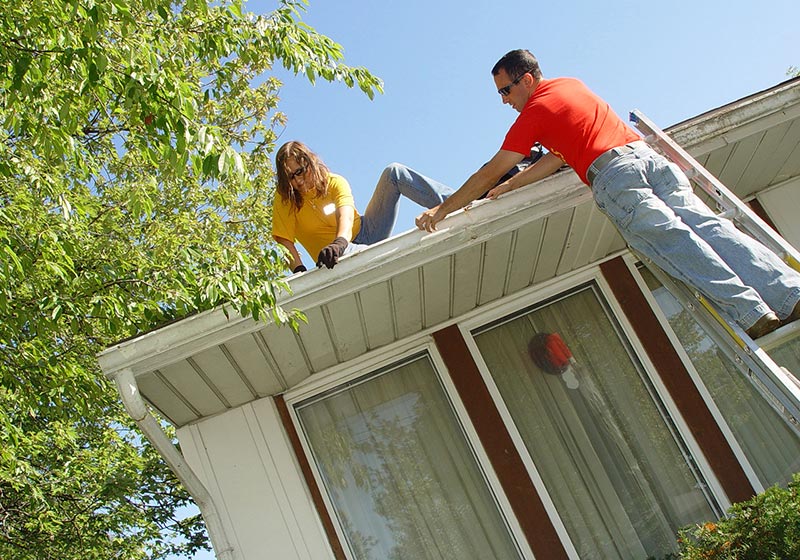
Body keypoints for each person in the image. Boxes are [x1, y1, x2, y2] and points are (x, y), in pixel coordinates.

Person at [415, 49, 800, 339]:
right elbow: (555, 158)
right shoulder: (571, 86)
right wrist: (512, 186)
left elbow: (489, 170)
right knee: (709, 226)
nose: (504, 100)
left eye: (505, 90)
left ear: (526, 79)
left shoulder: (535, 111)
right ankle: (788, 294)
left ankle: (751, 314)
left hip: (617, 177)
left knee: (679, 242)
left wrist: (442, 210)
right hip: (649, 160)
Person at [272, 141, 454, 272]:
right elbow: (284, 240)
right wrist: (299, 270)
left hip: (366, 231)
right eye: (290, 177)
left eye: (299, 172)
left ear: (309, 162)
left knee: (393, 172)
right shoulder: (285, 200)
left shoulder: (333, 182)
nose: (297, 180)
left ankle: (458, 201)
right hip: (335, 257)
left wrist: (340, 242)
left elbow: (346, 215)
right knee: (346, 257)